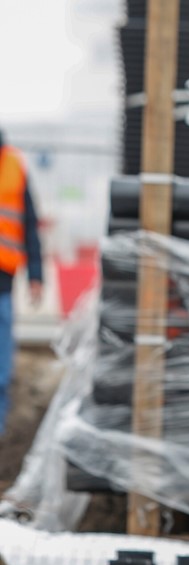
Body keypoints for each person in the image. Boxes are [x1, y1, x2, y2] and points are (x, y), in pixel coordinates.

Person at [0, 128, 43, 436]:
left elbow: (29, 223)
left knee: (1, 367)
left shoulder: (14, 165)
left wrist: (37, 275)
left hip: (3, 279)